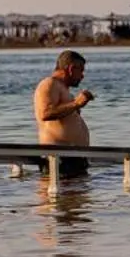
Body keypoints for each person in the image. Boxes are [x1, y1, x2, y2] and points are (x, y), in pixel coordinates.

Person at [33, 49, 94, 177]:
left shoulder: (63, 89)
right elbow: (46, 113)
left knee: (78, 197)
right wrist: (76, 104)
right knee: (60, 196)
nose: (82, 76)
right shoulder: (49, 84)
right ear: (71, 69)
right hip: (58, 158)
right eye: (81, 70)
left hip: (73, 157)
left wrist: (75, 107)